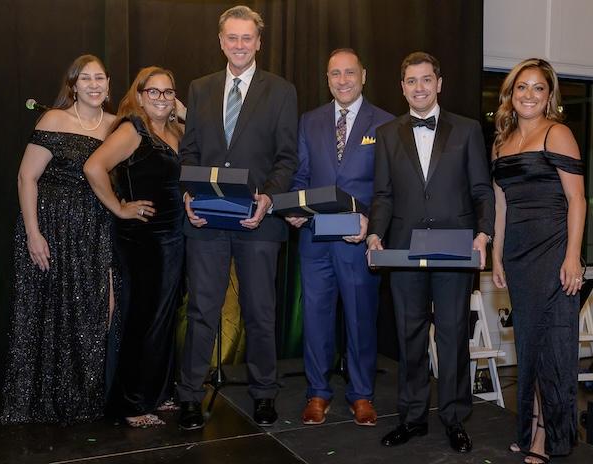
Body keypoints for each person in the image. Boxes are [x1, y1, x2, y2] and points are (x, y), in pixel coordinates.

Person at [367, 51, 495, 453]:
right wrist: (375, 234)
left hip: (455, 248)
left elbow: (481, 190)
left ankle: (455, 417)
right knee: (409, 336)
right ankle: (412, 418)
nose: (419, 87)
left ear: (439, 83)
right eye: (411, 81)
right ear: (401, 86)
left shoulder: (469, 129)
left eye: (426, 80)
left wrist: (483, 234)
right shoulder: (387, 134)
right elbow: (383, 194)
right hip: (404, 249)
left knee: (455, 335)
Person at [177, 5, 297, 430]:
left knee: (260, 311)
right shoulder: (200, 88)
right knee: (202, 311)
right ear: (221, 41)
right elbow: (189, 151)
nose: (240, 45)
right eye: (233, 37)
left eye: (248, 38)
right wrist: (189, 194)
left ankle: (264, 393)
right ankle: (189, 396)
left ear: (258, 42)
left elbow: (287, 158)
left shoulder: (282, 91)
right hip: (207, 221)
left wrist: (268, 199)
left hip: (258, 221)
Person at [1, 55, 116, 425]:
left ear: (109, 85)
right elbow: (26, 178)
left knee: (95, 311)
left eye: (100, 78)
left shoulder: (117, 127)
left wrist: (178, 108)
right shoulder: (53, 119)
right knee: (48, 310)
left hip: (95, 230)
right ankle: (41, 401)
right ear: (73, 85)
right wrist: (33, 234)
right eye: (86, 78)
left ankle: (83, 399)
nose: (94, 84)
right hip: (51, 227)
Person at [286, 48, 394, 426]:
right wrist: (294, 209)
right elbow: (300, 177)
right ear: (327, 78)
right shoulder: (309, 121)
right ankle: (318, 392)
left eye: (350, 73)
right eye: (335, 74)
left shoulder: (386, 124)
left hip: (357, 240)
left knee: (361, 319)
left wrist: (369, 222)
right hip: (315, 238)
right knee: (315, 319)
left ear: (364, 75)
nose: (343, 80)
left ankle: (361, 394)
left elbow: (387, 189)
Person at [491, 58, 585, 464]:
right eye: (521, 87)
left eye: (538, 88)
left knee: (551, 345)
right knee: (527, 344)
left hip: (552, 251)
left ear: (550, 97)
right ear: (510, 94)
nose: (528, 95)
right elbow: (500, 203)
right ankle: (527, 429)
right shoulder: (501, 140)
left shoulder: (558, 133)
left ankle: (546, 437)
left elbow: (577, 200)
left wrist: (572, 257)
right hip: (517, 254)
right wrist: (496, 254)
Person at [84, 66, 185, 428]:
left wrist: (178, 109)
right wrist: (119, 207)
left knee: (164, 318)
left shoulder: (173, 130)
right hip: (144, 238)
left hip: (174, 237)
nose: (161, 98)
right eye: (153, 92)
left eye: (168, 92)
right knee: (143, 319)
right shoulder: (133, 129)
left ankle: (158, 392)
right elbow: (94, 166)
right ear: (139, 95)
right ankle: (130, 403)